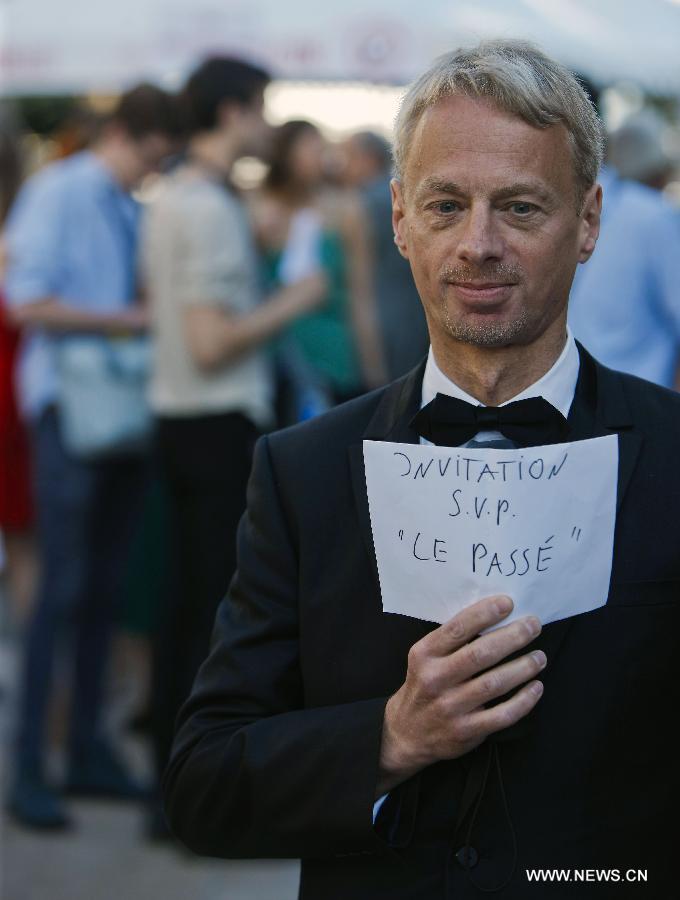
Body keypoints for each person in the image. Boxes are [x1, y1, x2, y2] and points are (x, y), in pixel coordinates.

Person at [163, 40, 679, 897]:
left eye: (520, 208)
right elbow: (204, 782)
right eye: (446, 205)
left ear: (588, 221)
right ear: (400, 217)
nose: (478, 244)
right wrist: (390, 736)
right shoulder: (304, 473)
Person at [142, 58, 327, 838]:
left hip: (176, 419)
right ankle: (192, 800)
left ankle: (171, 792)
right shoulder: (205, 207)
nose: (265, 126)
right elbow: (213, 342)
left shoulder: (174, 197)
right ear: (231, 111)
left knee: (183, 611)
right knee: (212, 623)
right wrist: (294, 299)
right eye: (259, 109)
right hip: (217, 422)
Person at [3, 84, 179, 830]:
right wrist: (130, 320)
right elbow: (25, 301)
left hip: (113, 413)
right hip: (69, 411)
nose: (155, 166)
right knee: (61, 594)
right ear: (133, 135)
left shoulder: (119, 201)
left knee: (102, 589)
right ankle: (29, 770)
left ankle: (83, 755)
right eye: (154, 152)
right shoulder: (61, 190)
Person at [251, 120, 386, 415]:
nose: (320, 157)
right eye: (309, 148)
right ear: (285, 155)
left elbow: (362, 296)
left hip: (334, 356)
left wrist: (374, 373)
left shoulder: (346, 209)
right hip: (274, 359)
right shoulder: (259, 208)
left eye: (321, 148)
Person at [568, 112, 680, 388]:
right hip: (643, 403)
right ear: (656, 172)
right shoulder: (654, 215)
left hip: (574, 395)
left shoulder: (556, 203)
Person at [343, 130, 429, 380]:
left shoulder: (360, 204)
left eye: (348, 157)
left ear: (368, 159)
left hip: (381, 319)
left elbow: (360, 284)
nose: (342, 165)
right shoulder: (411, 195)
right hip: (417, 314)